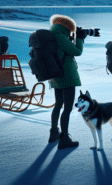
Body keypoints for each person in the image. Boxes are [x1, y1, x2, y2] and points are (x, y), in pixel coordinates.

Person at [48, 14, 85, 150]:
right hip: (66, 75)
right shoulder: (60, 36)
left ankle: (54, 133)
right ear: (68, 26)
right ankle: (64, 138)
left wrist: (72, 38)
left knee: (58, 104)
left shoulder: (52, 34)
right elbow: (77, 51)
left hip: (55, 75)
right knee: (68, 108)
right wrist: (80, 38)